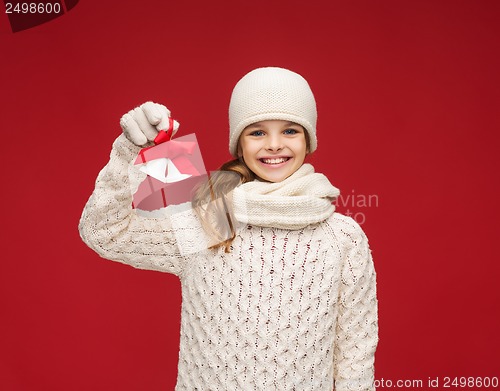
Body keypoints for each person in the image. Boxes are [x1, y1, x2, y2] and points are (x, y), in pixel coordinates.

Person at [79, 67, 379, 390]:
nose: (275, 145)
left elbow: (355, 361)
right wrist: (129, 151)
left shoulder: (342, 238)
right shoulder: (211, 215)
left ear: (309, 139)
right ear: (239, 144)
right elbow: (103, 230)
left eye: (290, 130)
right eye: (257, 132)